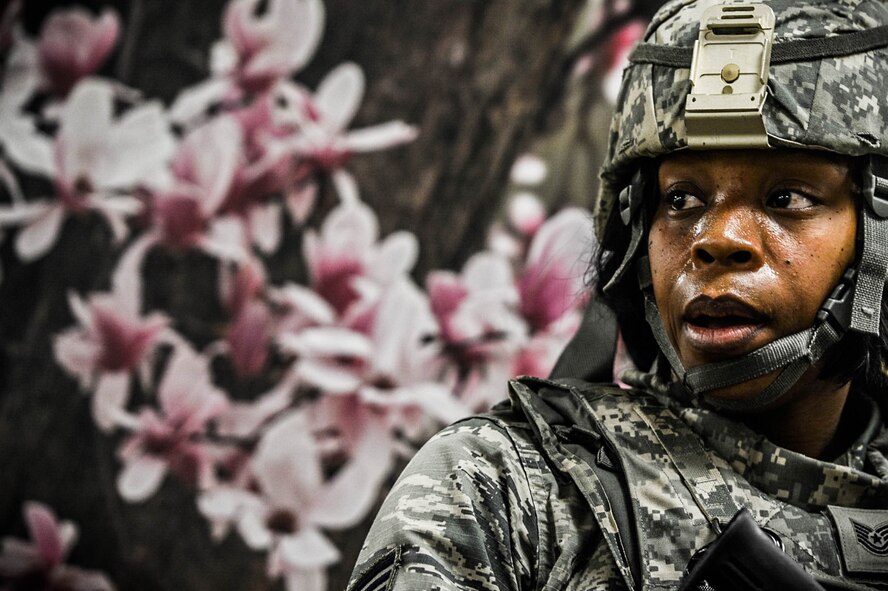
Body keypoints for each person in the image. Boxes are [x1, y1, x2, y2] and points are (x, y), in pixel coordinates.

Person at [346, 0, 888, 589]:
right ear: (634, 236)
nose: (718, 240)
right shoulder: (507, 486)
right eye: (681, 199)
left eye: (786, 198)